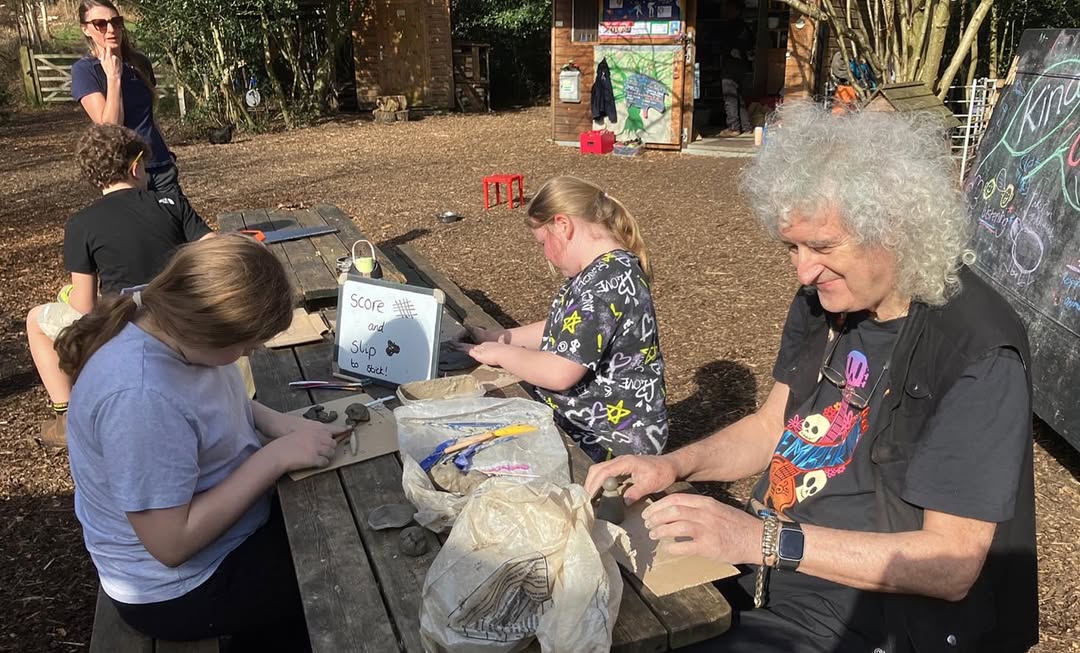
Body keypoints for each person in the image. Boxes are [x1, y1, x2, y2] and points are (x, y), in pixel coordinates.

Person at [584, 103, 1038, 653]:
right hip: (765, 577)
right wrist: (671, 464)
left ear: (893, 228)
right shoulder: (825, 303)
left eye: (822, 247)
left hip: (860, 621)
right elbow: (774, 424)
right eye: (792, 248)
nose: (803, 271)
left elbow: (952, 564)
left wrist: (762, 538)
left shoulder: (977, 350)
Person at [57, 234, 340, 649]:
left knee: (332, 516)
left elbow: (211, 402)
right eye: (247, 345)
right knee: (336, 573)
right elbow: (170, 544)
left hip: (224, 536)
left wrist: (278, 424)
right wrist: (275, 458)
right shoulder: (140, 397)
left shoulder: (164, 317)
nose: (250, 354)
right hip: (179, 587)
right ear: (211, 330)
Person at [26, 123, 214, 447]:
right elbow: (216, 252)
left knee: (34, 321)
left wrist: (68, 294)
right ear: (136, 166)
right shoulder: (171, 204)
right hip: (177, 317)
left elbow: (84, 306)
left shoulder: (81, 224)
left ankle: (66, 417)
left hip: (120, 326)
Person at [457, 176, 669, 462]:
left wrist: (502, 353)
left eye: (543, 242)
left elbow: (559, 372)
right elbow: (566, 328)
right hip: (594, 418)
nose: (544, 253)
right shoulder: (601, 271)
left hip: (610, 438)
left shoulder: (608, 282)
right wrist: (496, 336)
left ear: (563, 225)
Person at [72, 0, 182, 196]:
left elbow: (149, 117)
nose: (111, 29)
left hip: (161, 167)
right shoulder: (85, 71)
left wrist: (168, 153)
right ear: (86, 29)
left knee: (176, 224)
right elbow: (109, 127)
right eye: (101, 24)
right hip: (124, 174)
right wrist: (113, 77)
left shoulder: (139, 63)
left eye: (116, 21)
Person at [716, 0, 753, 136]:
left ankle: (734, 127)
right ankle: (746, 127)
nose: (725, 11)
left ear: (736, 10)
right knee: (738, 96)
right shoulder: (745, 27)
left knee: (730, 96)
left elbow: (724, 45)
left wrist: (730, 50)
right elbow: (749, 45)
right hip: (742, 65)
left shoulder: (731, 26)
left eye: (728, 8)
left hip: (731, 65)